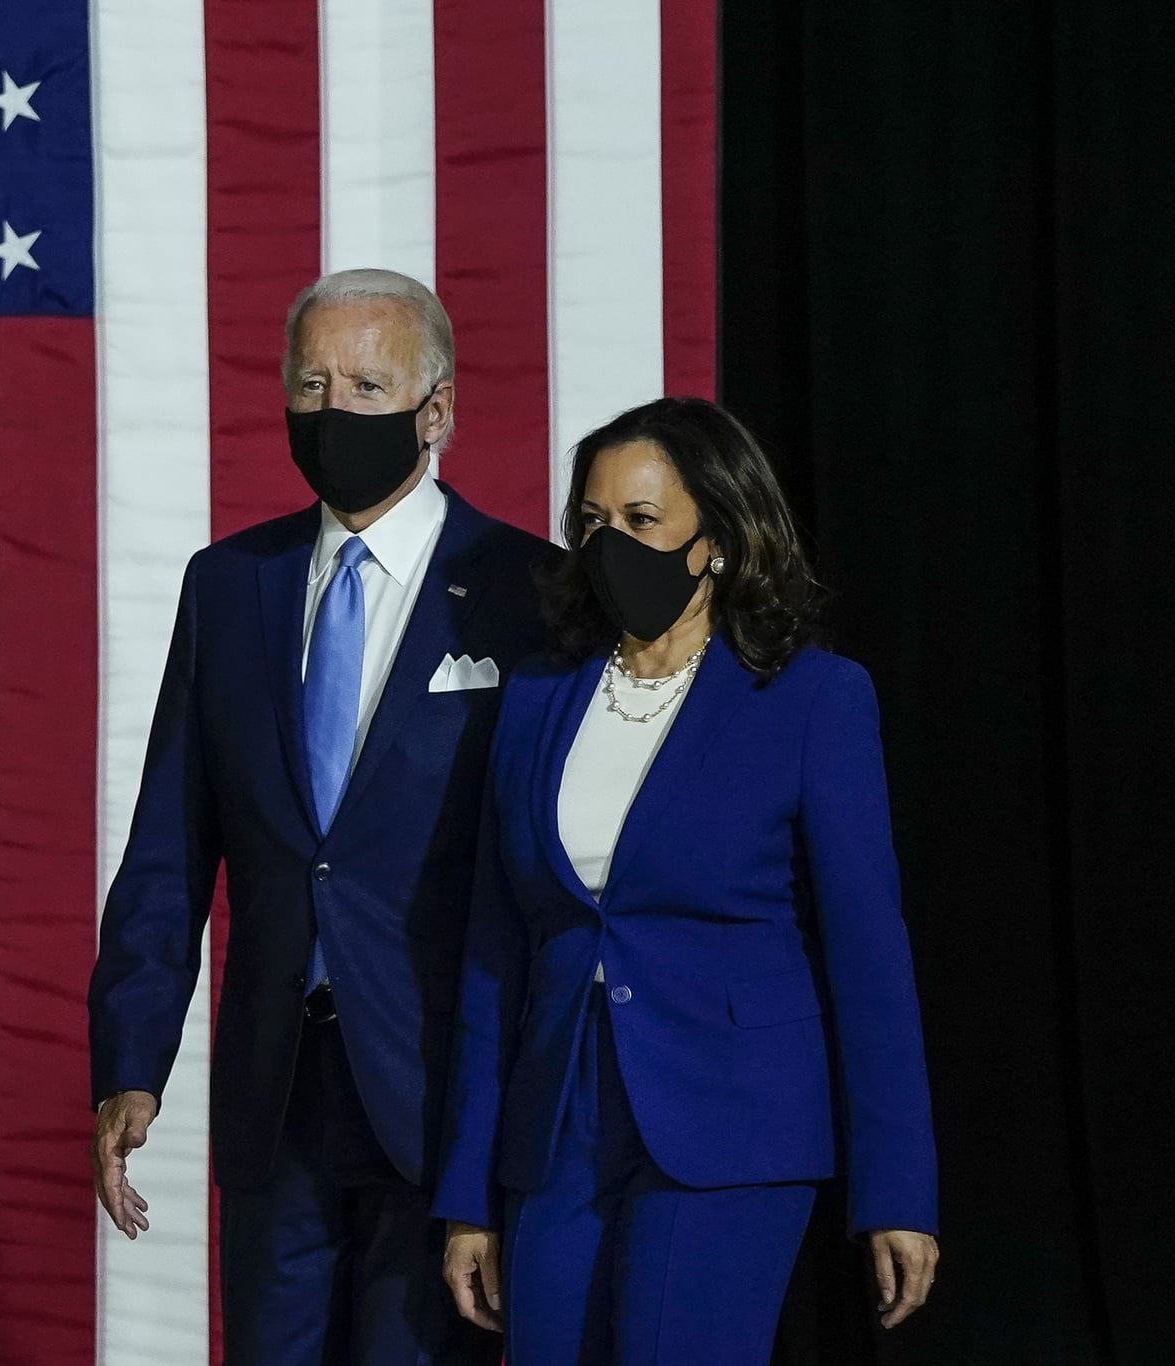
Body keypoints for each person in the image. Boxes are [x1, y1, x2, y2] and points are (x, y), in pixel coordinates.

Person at [88, 268, 555, 1364]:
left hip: (445, 1099)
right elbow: (167, 845)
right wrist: (130, 1058)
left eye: (365, 385)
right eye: (311, 383)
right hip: (276, 1091)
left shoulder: (527, 590)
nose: (332, 410)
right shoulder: (226, 585)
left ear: (433, 411)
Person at [432, 397, 940, 1364]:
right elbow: (495, 954)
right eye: (591, 522)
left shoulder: (812, 699)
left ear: (717, 538)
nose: (608, 542)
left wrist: (899, 1190)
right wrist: (468, 1195)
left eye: (641, 521)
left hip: (730, 1125)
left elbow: (870, 958)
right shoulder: (539, 695)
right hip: (557, 1130)